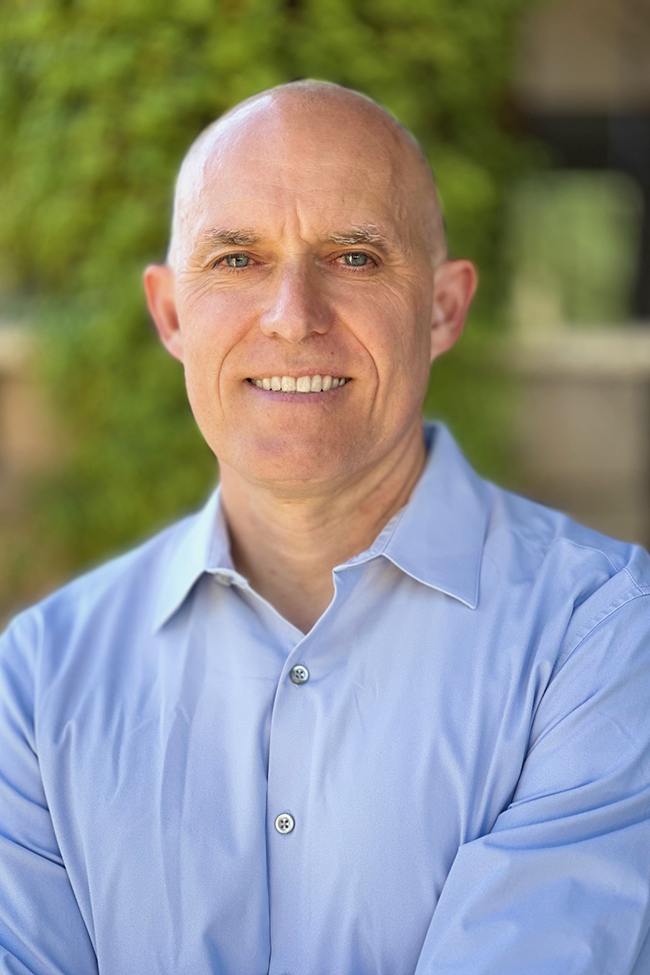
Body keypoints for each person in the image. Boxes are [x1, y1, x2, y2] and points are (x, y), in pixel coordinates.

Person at [1, 80, 649, 975]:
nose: (293, 318)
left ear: (443, 306)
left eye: (353, 257)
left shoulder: (607, 635)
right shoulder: (36, 681)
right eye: (237, 259)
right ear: (171, 313)